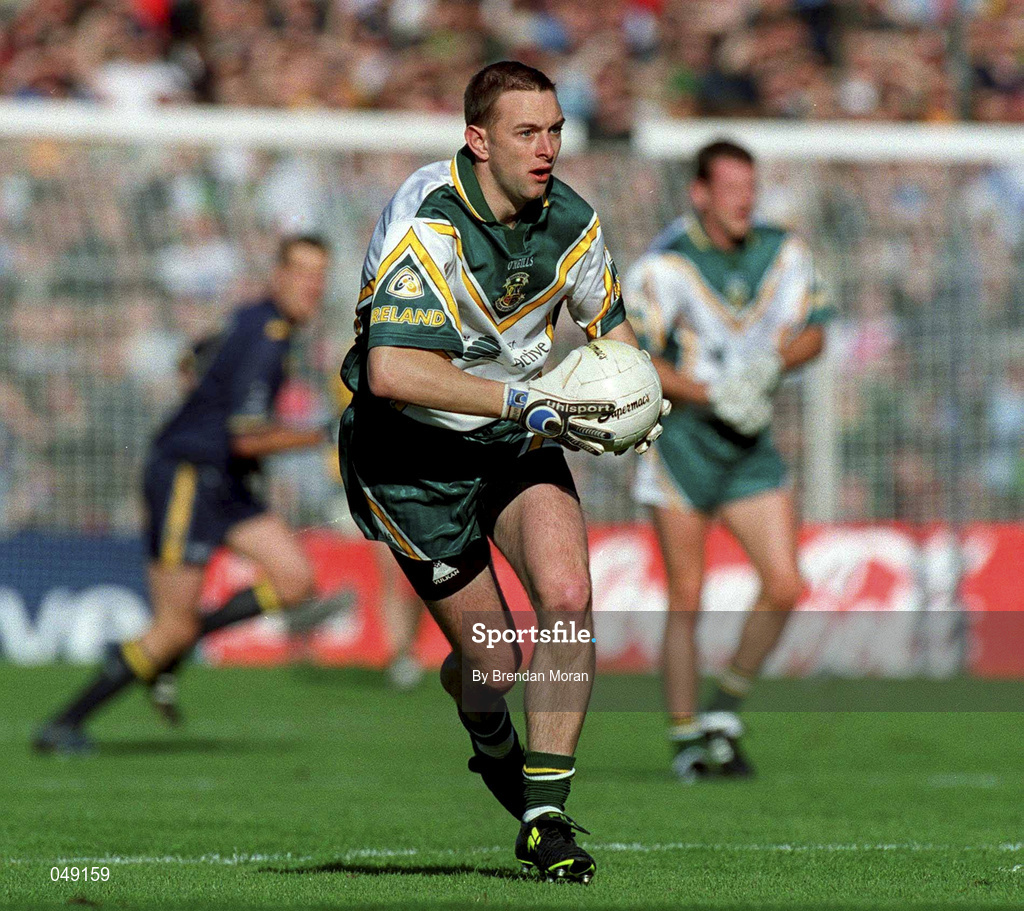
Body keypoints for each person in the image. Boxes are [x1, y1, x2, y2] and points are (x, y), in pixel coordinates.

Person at [338, 61, 664, 883]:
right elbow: (392, 372)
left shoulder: (573, 222)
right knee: (494, 665)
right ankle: (491, 742)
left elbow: (611, 333)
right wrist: (526, 400)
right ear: (477, 140)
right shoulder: (430, 221)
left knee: (568, 594)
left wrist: (637, 398)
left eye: (555, 129)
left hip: (515, 438)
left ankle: (545, 816)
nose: (548, 147)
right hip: (410, 455)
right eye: (528, 132)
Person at [35, 235, 333, 754]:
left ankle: (179, 647)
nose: (311, 284)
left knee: (295, 579)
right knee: (171, 626)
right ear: (278, 274)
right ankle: (64, 723)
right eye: (301, 271)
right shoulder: (266, 336)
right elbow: (243, 435)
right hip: (188, 477)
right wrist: (323, 434)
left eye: (319, 273)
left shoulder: (255, 319)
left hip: (225, 480)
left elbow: (190, 361)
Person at [624, 140, 834, 782]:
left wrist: (773, 364)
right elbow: (640, 358)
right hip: (684, 444)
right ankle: (686, 736)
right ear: (700, 193)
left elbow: (816, 330)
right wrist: (714, 393)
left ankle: (725, 708)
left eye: (752, 184)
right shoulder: (663, 268)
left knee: (785, 582)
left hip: (748, 447)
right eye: (732, 185)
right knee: (686, 597)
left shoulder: (784, 252)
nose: (746, 197)